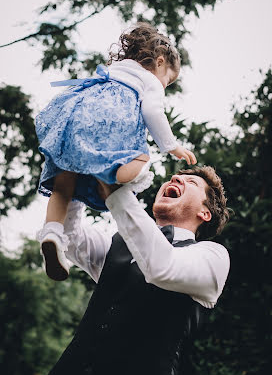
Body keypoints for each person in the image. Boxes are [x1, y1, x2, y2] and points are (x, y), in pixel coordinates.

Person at [46, 165, 230, 375]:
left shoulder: (213, 257)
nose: (175, 178)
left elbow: (162, 267)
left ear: (205, 213)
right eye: (175, 177)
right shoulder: (119, 243)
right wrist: (74, 175)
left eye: (191, 183)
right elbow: (69, 238)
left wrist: (114, 190)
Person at [35, 22, 196, 281]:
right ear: (160, 61)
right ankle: (116, 175)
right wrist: (172, 146)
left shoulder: (115, 69)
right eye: (168, 80)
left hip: (74, 115)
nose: (164, 86)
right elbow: (153, 112)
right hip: (111, 122)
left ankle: (52, 233)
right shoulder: (150, 81)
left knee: (63, 184)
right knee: (141, 158)